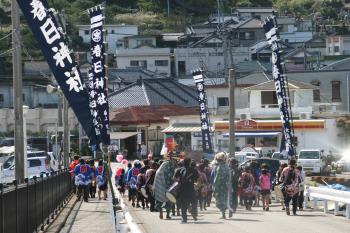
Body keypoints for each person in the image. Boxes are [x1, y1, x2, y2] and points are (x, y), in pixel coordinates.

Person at [153, 152, 176, 219]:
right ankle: (168, 214)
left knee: (159, 196)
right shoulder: (170, 165)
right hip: (165, 181)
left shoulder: (164, 163)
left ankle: (160, 211)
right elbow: (171, 176)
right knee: (169, 196)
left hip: (158, 182)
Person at [174, 158, 199, 223]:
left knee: (183, 205)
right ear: (190, 162)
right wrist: (196, 184)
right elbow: (197, 179)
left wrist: (179, 181)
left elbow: (174, 178)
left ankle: (184, 218)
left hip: (182, 190)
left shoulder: (179, 170)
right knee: (194, 202)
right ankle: (194, 212)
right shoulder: (194, 170)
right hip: (191, 189)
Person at [213, 152, 230, 219]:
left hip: (220, 186)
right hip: (226, 186)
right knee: (224, 199)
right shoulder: (227, 167)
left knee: (219, 200)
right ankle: (224, 213)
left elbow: (217, 178)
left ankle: (223, 214)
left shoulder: (219, 167)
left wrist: (214, 187)